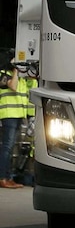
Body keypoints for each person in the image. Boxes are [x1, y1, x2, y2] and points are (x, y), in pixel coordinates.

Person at [0, 49, 26, 189]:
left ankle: (8, 177)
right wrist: (15, 69)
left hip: (18, 114)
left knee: (10, 148)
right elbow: (13, 87)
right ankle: (2, 177)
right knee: (7, 147)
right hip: (8, 114)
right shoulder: (3, 74)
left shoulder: (19, 76)